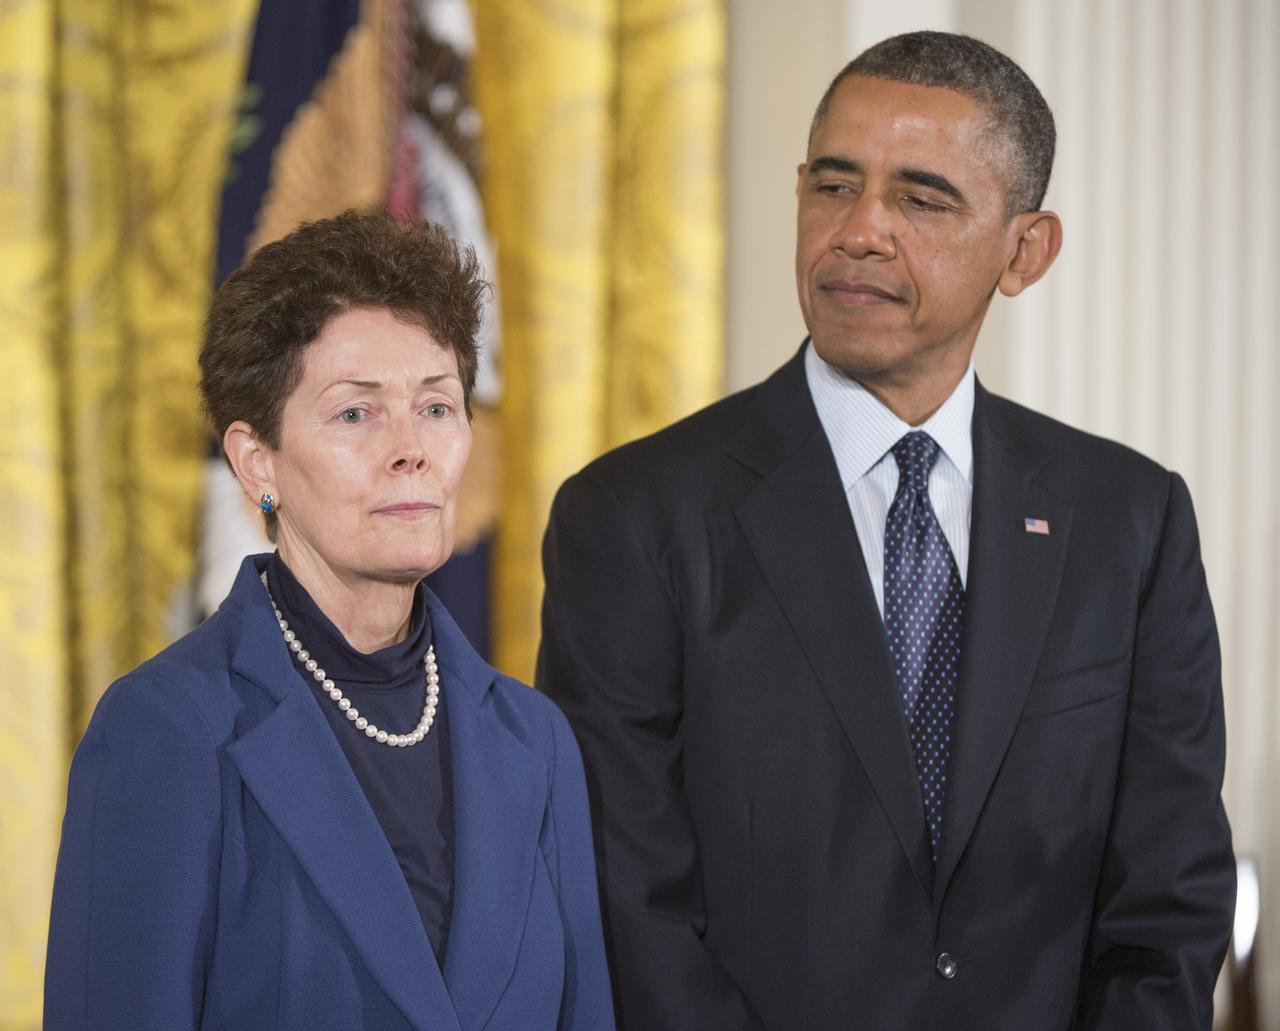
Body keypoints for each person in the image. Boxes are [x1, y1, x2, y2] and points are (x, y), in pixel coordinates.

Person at [538, 31, 1234, 1031]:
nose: (857, 230)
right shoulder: (633, 512)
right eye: (831, 186)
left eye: (920, 198)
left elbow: (1167, 896)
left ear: (1023, 251)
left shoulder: (1128, 518)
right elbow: (626, 898)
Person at [45, 212, 615, 1031]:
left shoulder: (537, 737)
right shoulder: (165, 729)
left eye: (437, 406)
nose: (410, 448)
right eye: (357, 414)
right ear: (257, 461)